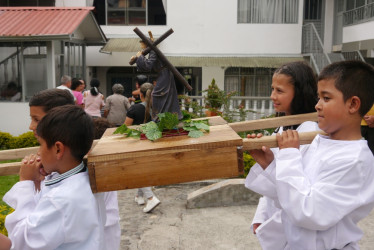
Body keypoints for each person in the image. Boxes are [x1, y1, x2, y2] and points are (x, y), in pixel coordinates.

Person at [245, 60, 374, 249]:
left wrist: (289, 155)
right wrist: (270, 165)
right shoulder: (321, 142)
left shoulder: (355, 159)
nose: (318, 106)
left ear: (353, 104)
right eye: (318, 97)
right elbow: (291, 194)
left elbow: (309, 212)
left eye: (326, 98)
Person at [27, 88, 121, 250]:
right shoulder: (68, 164)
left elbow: (28, 238)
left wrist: (25, 185)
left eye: (37, 119)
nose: (31, 126)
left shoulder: (82, 177)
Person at [3, 105, 106, 249]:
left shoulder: (60, 200)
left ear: (58, 149)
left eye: (41, 145)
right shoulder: (87, 177)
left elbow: (22, 241)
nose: (38, 152)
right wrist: (40, 184)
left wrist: (25, 183)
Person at [244, 61, 320, 249]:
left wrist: (270, 164)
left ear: (300, 92)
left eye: (280, 91)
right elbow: (275, 187)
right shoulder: (285, 124)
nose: (272, 96)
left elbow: (297, 186)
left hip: (297, 223)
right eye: (272, 89)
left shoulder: (310, 132)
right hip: (279, 215)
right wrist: (261, 215)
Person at [124, 83, 161, 213]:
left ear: (140, 95)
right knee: (143, 169)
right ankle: (139, 196)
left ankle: (150, 198)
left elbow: (125, 128)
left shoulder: (134, 109)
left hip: (137, 143)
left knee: (138, 170)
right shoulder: (158, 108)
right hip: (153, 142)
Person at [132, 40, 182, 121]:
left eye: (142, 44)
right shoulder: (152, 51)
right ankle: (162, 116)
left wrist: (140, 57)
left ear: (146, 44)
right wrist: (139, 58)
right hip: (163, 73)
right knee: (161, 94)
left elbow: (148, 66)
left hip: (165, 73)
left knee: (156, 94)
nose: (141, 46)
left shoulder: (153, 51)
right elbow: (147, 65)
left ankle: (159, 117)